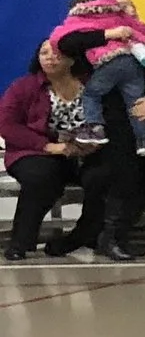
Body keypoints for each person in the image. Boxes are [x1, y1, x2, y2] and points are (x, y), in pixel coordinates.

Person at [1, 42, 109, 260]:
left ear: (72, 58)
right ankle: (21, 242)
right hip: (37, 151)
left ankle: (82, 235)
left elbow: (112, 119)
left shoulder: (93, 85)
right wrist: (48, 146)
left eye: (57, 53)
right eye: (43, 53)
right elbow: (7, 125)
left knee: (103, 176)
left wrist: (95, 143)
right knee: (41, 177)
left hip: (88, 150)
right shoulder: (24, 87)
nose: (49, 58)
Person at [51, 0, 145, 155]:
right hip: (132, 61)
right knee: (135, 103)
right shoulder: (117, 20)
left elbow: (58, 39)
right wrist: (141, 38)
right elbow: (144, 30)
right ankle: (144, 141)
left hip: (109, 62)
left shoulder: (81, 21)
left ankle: (95, 128)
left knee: (91, 94)